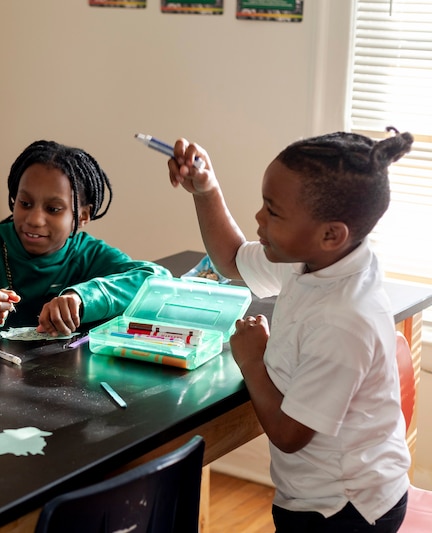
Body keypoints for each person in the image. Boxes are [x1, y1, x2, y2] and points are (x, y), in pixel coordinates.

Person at [167, 128, 413, 532]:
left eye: (273, 211)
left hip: (344, 509)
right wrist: (205, 190)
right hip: (316, 493)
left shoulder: (345, 320)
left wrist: (252, 360)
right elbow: (230, 260)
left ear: (331, 233)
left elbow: (289, 433)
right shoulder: (315, 257)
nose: (259, 218)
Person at [0, 139, 171, 340]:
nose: (34, 219)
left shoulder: (88, 254)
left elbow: (158, 280)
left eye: (53, 209)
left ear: (83, 216)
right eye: (25, 203)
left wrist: (81, 297)